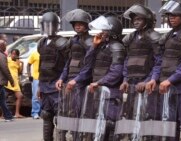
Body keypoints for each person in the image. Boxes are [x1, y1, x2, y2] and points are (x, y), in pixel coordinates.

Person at [146, 0, 181, 141]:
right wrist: (154, 78)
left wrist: (170, 80)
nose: (172, 17)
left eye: (176, 15)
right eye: (170, 15)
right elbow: (160, 61)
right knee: (169, 125)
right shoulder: (168, 36)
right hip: (167, 89)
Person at [119, 4, 161, 140]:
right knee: (131, 116)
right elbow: (127, 60)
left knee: (147, 117)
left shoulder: (154, 37)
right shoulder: (130, 38)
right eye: (134, 19)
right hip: (131, 84)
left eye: (139, 19)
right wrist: (125, 79)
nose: (136, 22)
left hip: (147, 86)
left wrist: (148, 80)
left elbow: (158, 62)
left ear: (147, 20)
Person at [55, 9, 93, 141]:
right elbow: (68, 62)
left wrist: (76, 80)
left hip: (81, 83)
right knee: (67, 113)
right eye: (75, 24)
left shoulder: (90, 41)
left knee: (79, 113)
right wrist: (61, 78)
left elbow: (89, 66)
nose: (78, 26)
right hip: (69, 82)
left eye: (81, 24)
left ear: (86, 25)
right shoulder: (72, 40)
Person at [88, 15, 126, 140]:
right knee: (99, 126)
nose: (101, 33)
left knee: (111, 125)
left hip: (111, 93)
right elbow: (87, 62)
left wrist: (99, 82)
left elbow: (116, 72)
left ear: (111, 31)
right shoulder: (102, 46)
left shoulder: (117, 47)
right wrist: (93, 46)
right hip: (99, 92)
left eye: (104, 30)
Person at [38, 12, 69, 141]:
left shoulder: (62, 42)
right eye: (46, 25)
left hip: (57, 85)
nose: (48, 27)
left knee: (60, 116)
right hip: (45, 85)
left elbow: (67, 63)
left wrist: (63, 79)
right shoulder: (42, 43)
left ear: (56, 26)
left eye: (51, 25)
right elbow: (41, 65)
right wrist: (39, 85)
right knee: (46, 114)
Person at [5, 49, 25, 118]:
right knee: (3, 98)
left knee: (20, 96)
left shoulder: (17, 62)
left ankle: (17, 113)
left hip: (15, 82)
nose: (14, 55)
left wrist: (21, 64)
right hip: (8, 81)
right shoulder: (7, 60)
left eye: (15, 54)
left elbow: (20, 72)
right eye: (13, 54)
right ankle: (2, 114)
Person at [0, 39, 14, 122]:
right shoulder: (1, 56)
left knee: (2, 99)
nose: (6, 47)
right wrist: (11, 80)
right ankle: (8, 116)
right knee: (2, 99)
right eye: (5, 45)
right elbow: (5, 69)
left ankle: (8, 116)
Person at [27, 50, 40, 119]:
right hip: (36, 78)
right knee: (35, 96)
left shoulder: (47, 54)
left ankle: (42, 112)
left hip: (46, 78)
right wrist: (29, 75)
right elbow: (28, 65)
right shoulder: (34, 54)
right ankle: (35, 112)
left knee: (45, 95)